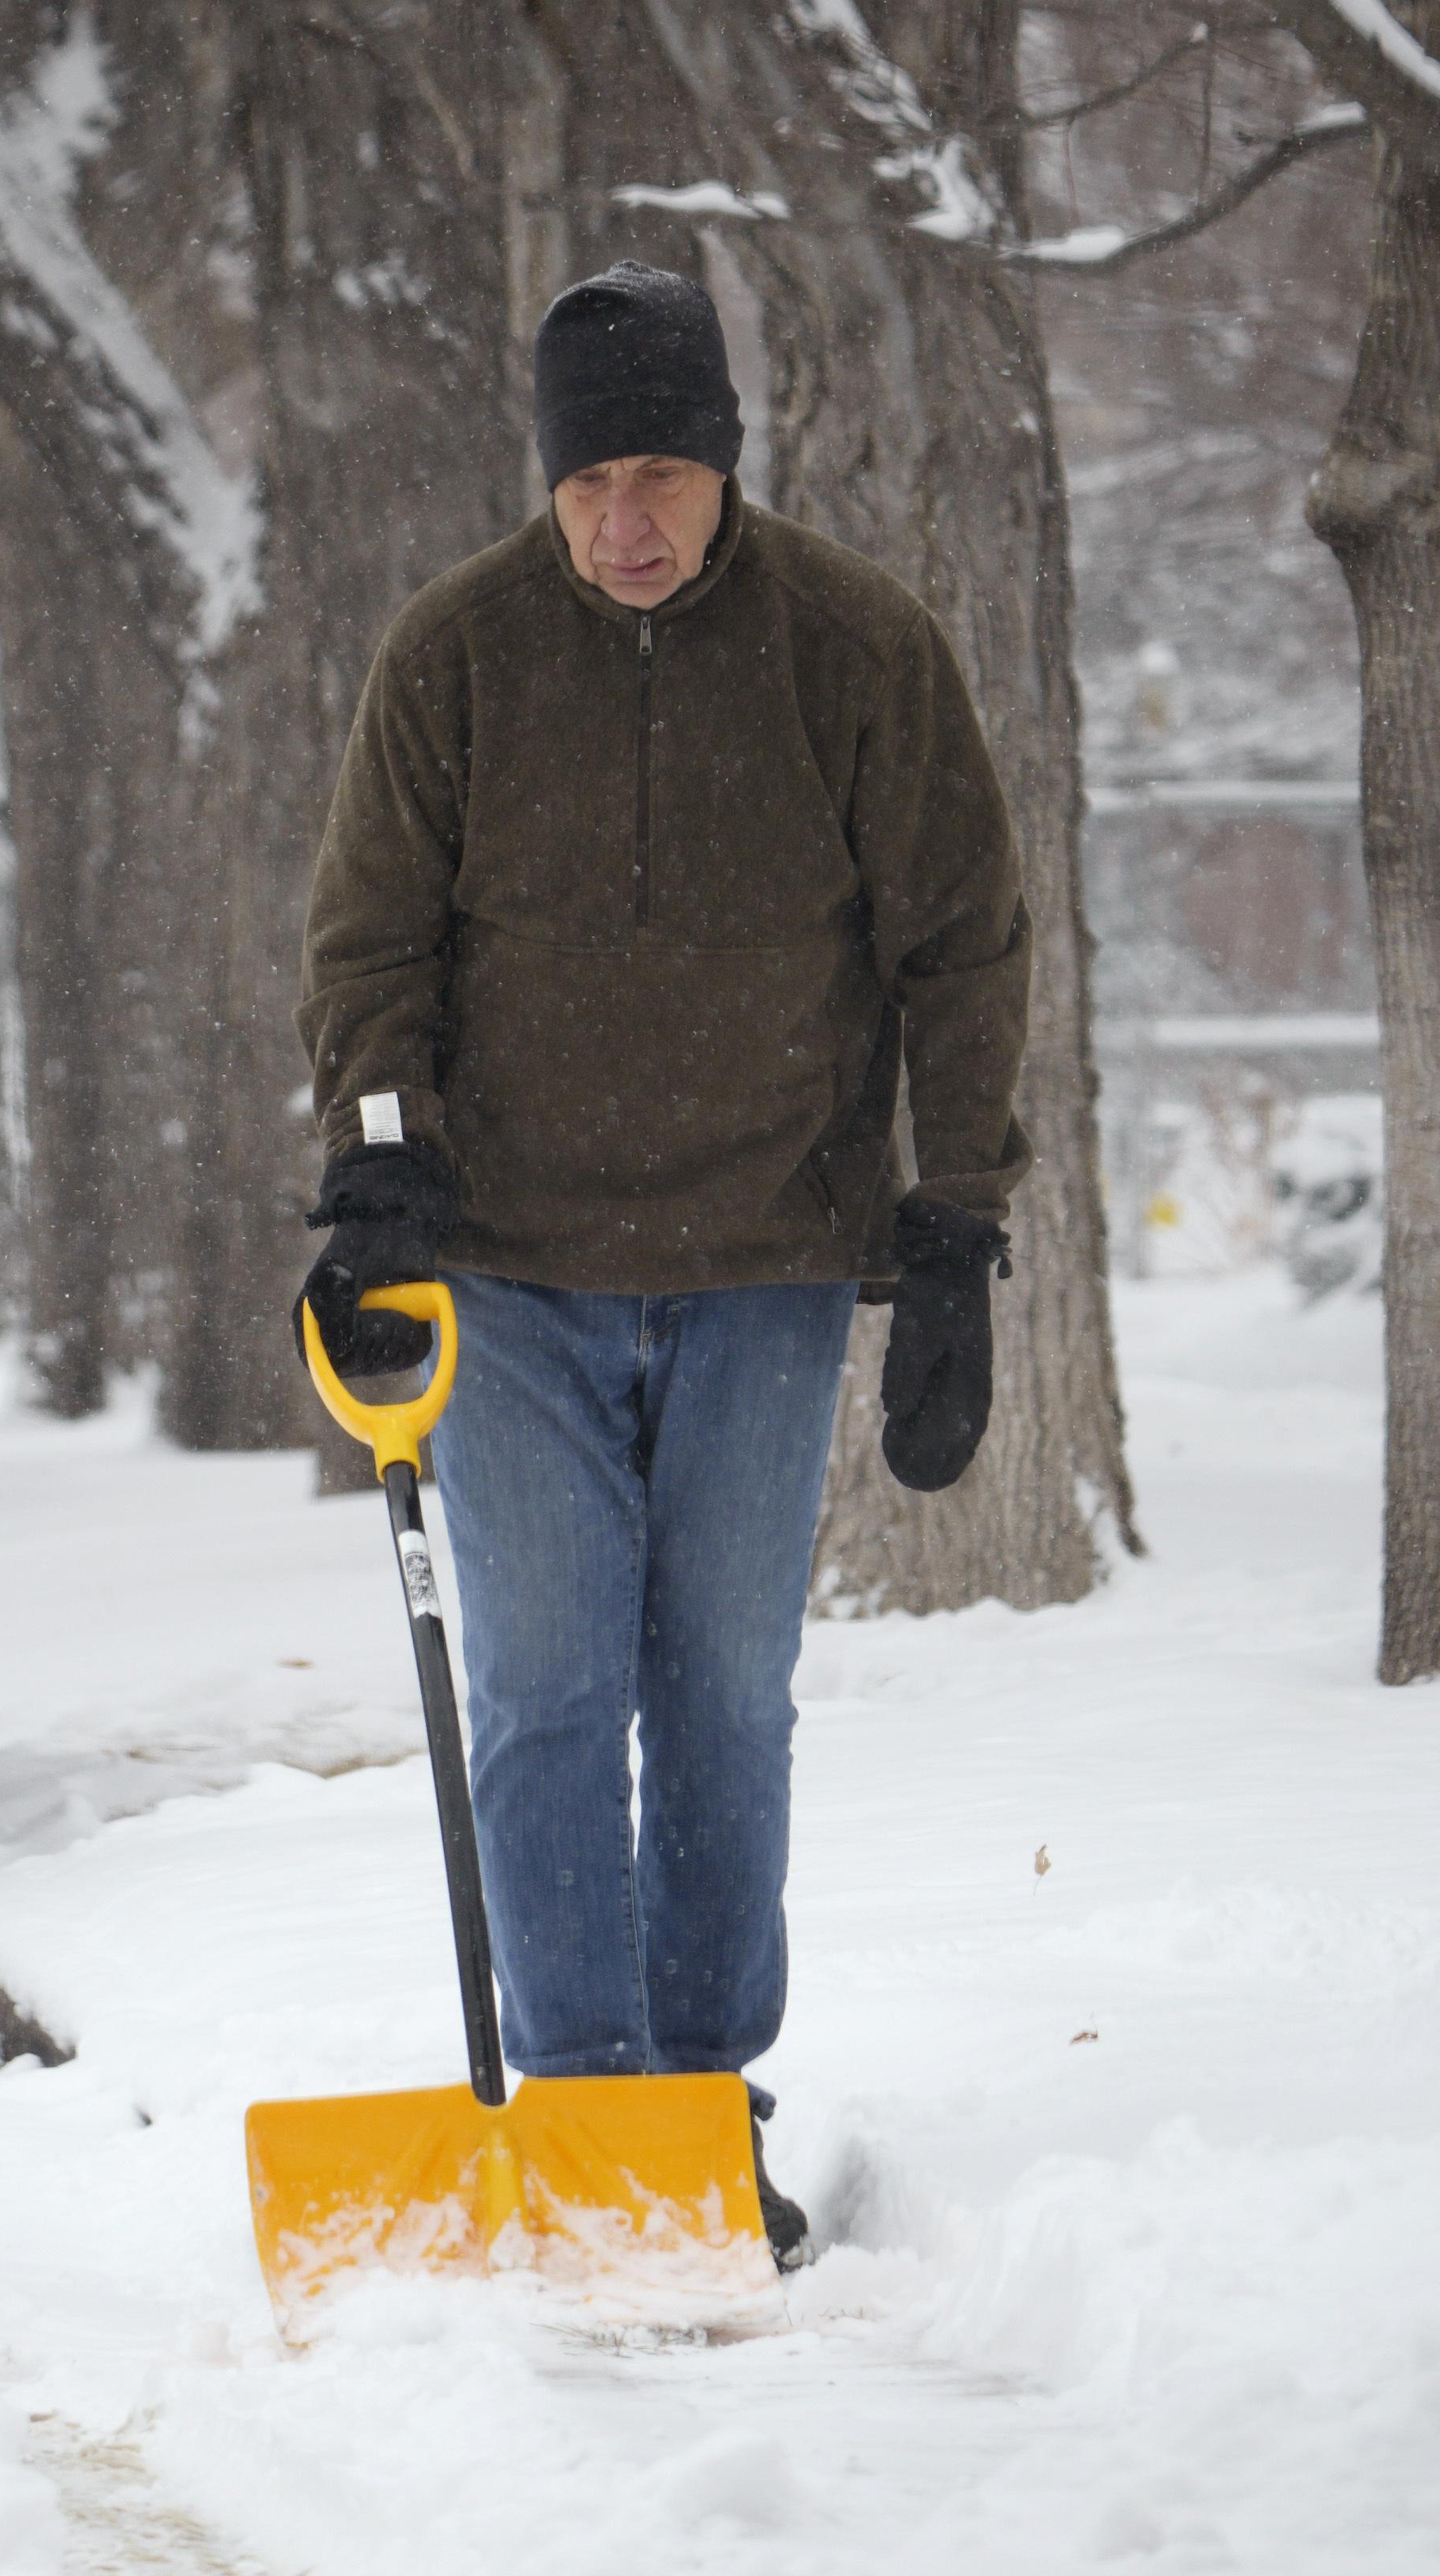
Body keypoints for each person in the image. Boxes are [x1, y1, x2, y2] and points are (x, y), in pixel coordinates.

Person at [294, 258, 1032, 2264]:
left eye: (665, 473)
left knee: (719, 1692)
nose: (627, 518)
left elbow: (957, 937)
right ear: (545, 480)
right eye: (590, 477)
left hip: (765, 1258)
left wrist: (953, 1215)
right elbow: (369, 947)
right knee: (540, 1692)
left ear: (726, 461)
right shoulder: (451, 658)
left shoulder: (856, 651)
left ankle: (705, 2099)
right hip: (511, 1271)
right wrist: (376, 1174)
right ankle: (591, 2108)